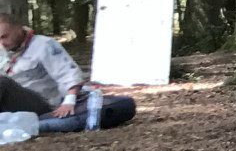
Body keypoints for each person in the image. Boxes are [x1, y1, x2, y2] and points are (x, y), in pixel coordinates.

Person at [0, 9, 137, 132]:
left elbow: (68, 73)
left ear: (18, 29)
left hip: (42, 104)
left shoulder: (43, 45)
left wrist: (69, 101)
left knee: (3, 83)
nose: (2, 43)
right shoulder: (4, 51)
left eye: (4, 36)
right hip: (13, 105)